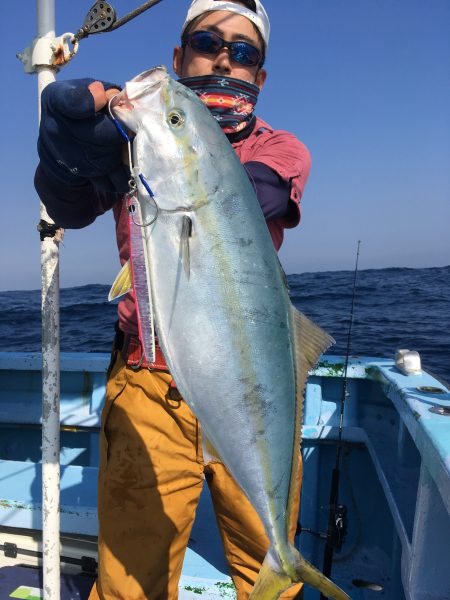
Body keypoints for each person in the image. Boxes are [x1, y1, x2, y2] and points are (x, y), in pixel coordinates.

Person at [35, 1, 311, 598]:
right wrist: (70, 163)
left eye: (244, 52)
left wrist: (162, 147)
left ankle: (281, 563)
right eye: (208, 42)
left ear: (259, 75)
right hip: (148, 383)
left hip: (255, 385)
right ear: (179, 56)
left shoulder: (280, 150)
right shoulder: (142, 148)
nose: (224, 58)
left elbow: (247, 197)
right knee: (130, 583)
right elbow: (70, 209)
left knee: (270, 569)